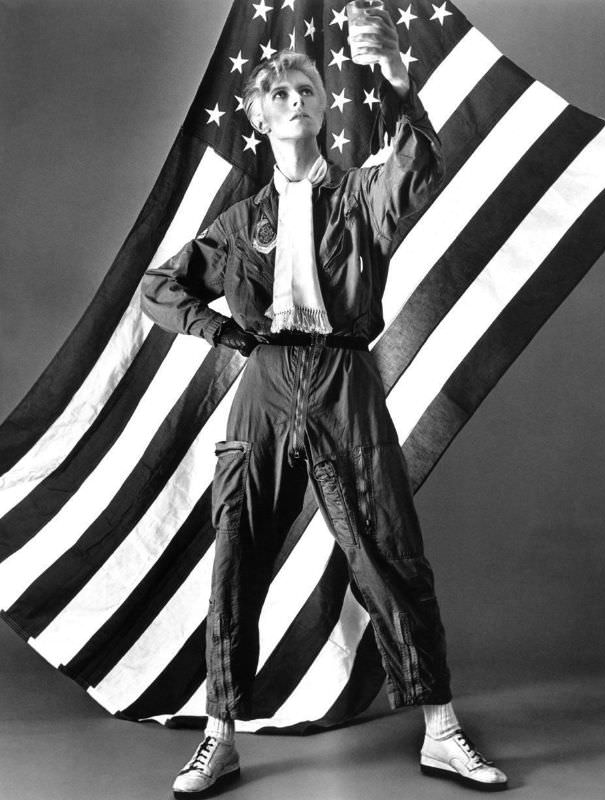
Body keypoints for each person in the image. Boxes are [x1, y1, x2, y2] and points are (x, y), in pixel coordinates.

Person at [141, 7, 508, 796]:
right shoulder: (240, 225)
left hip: (345, 379)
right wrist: (231, 337)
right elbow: (159, 288)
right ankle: (219, 737)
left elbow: (418, 162)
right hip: (267, 385)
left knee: (387, 545)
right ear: (260, 115)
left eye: (305, 86)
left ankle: (441, 730)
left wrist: (399, 83)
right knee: (237, 552)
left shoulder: (359, 197)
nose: (293, 97)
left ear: (321, 105)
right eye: (277, 90)